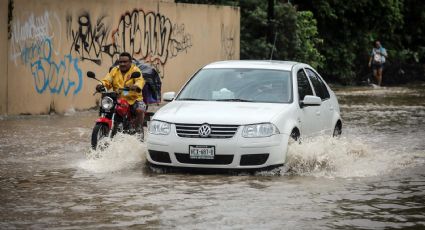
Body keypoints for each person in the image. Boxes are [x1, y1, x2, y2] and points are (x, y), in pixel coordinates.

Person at [96, 52, 146, 138]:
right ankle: (109, 128)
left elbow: (140, 81)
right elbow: (107, 80)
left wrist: (135, 86)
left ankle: (138, 130)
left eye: (125, 62)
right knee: (106, 109)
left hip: (134, 99)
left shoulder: (135, 70)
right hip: (118, 99)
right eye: (120, 62)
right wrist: (101, 85)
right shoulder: (114, 70)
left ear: (130, 62)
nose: (122, 64)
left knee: (139, 110)